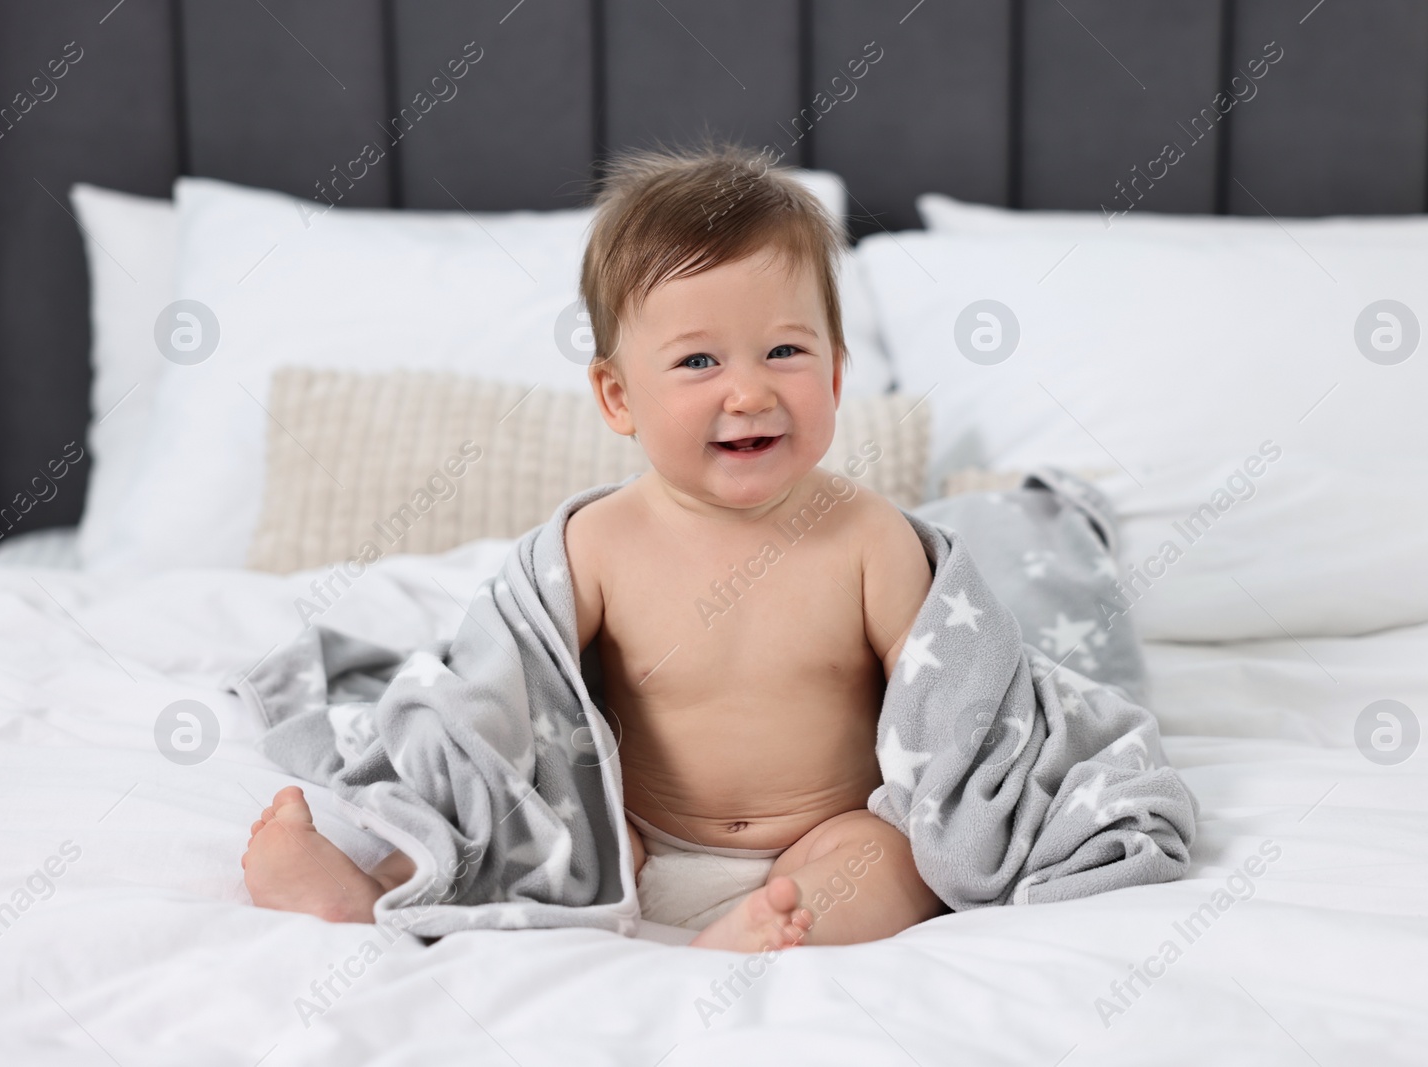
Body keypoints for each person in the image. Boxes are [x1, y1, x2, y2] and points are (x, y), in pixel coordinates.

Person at [242, 141, 946, 952]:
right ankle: (373, 892)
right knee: (524, 827)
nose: (749, 391)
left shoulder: (871, 540)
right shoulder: (598, 542)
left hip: (818, 839)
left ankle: (761, 932)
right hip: (627, 837)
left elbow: (952, 714)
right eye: (698, 360)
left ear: (832, 376)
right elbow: (508, 689)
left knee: (895, 857)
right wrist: (467, 763)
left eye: (785, 351)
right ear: (618, 396)